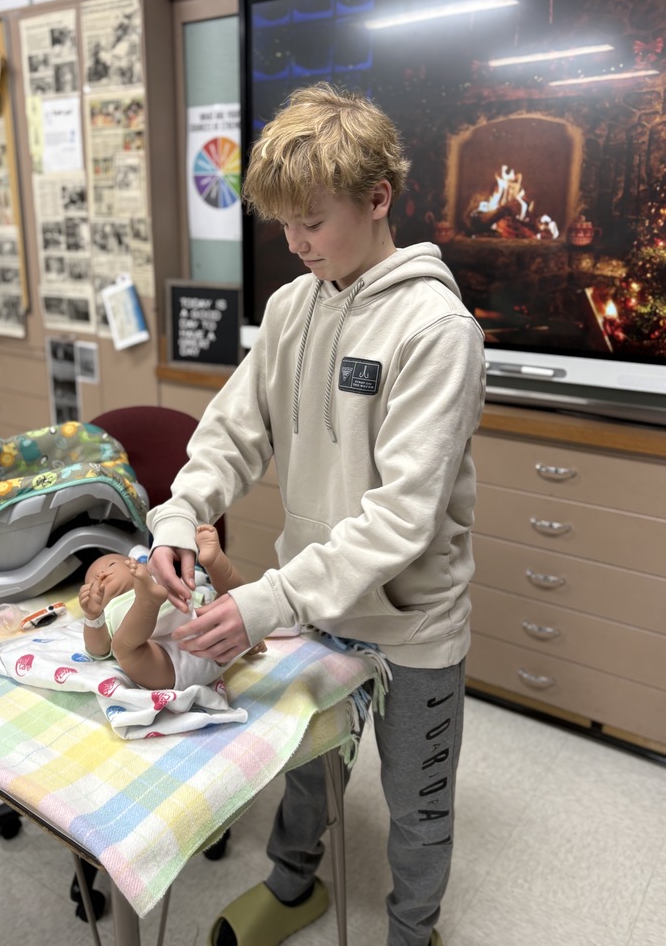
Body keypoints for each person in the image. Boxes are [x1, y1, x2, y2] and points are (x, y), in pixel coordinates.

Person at [147, 82, 486, 946]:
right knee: (306, 773)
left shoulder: (436, 328)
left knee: (416, 800)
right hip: (319, 606)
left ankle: (413, 931)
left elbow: (399, 520)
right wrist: (183, 514)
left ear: (379, 199)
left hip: (412, 624)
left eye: (312, 220)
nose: (296, 243)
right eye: (283, 224)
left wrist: (262, 601)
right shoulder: (292, 306)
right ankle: (294, 889)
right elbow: (234, 428)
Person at [80, 525, 264, 692]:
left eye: (111, 564)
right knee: (122, 647)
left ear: (144, 567)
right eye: (93, 581)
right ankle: (146, 604)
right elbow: (98, 650)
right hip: (166, 664)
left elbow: (201, 604)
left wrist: (248, 635)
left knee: (231, 600)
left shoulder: (163, 581)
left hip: (209, 637)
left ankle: (214, 561)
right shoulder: (109, 611)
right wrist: (93, 616)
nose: (101, 575)